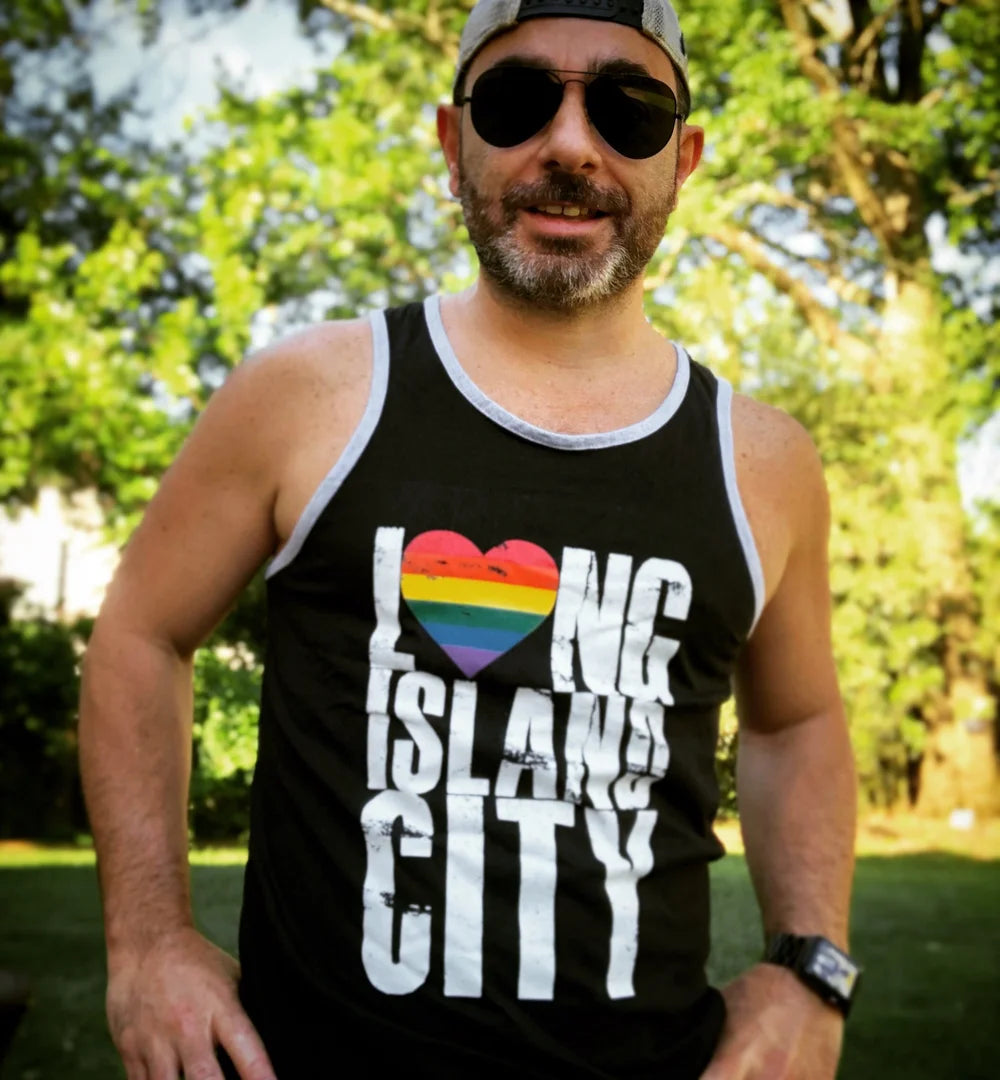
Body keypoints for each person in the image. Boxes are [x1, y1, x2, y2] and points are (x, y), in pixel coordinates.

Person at [78, 1, 860, 1078]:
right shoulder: (310, 395)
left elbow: (798, 720)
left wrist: (811, 966)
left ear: (682, 159)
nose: (571, 145)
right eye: (517, 101)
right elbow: (139, 634)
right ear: (454, 141)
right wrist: (149, 940)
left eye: (628, 111)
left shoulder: (763, 463)